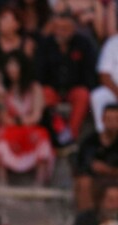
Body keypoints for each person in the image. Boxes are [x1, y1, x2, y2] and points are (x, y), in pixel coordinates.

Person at [0, 51, 54, 186]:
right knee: (0, 136)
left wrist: (19, 122)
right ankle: (2, 180)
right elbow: (0, 116)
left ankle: (39, 181)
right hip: (9, 128)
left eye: (15, 65)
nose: (11, 69)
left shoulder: (35, 88)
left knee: (42, 135)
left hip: (29, 126)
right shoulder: (3, 90)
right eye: (9, 65)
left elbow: (36, 115)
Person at [35, 11, 97, 143]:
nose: (61, 32)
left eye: (65, 29)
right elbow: (38, 73)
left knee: (83, 94)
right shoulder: (45, 44)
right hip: (53, 89)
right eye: (58, 29)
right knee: (43, 93)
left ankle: (71, 135)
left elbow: (90, 73)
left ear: (73, 28)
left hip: (73, 89)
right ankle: (54, 131)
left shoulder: (84, 44)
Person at [73, 104, 118, 210]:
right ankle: (87, 221)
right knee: (84, 182)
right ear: (102, 119)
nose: (113, 123)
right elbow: (81, 166)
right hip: (95, 180)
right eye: (109, 119)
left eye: (116, 119)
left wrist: (108, 170)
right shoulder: (90, 142)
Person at [0, 5, 36, 83]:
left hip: (21, 83)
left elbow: (29, 69)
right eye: (1, 19)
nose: (1, 22)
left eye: (5, 19)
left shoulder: (27, 44)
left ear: (17, 24)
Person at [91, 33, 118, 133]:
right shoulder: (112, 43)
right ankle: (102, 134)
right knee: (98, 96)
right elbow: (104, 74)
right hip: (115, 89)